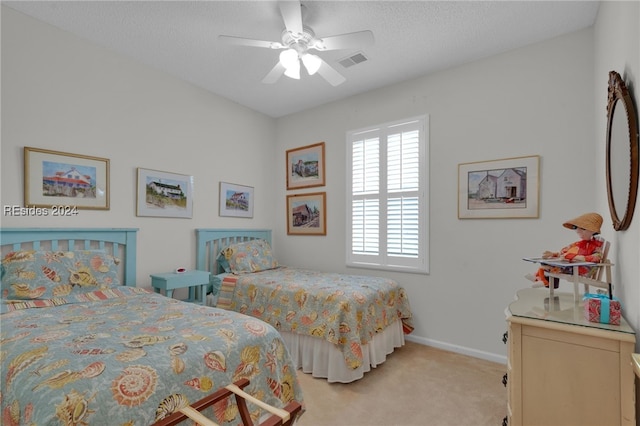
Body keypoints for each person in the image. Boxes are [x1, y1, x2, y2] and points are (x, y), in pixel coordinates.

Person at [527, 212, 604, 288]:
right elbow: (565, 251)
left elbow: (597, 257)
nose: (578, 231)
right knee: (545, 264)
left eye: (583, 229)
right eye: (576, 228)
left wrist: (575, 257)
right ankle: (539, 279)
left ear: (593, 231)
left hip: (581, 269)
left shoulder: (595, 246)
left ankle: (542, 280)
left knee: (546, 267)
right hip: (572, 266)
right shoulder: (579, 244)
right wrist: (553, 254)